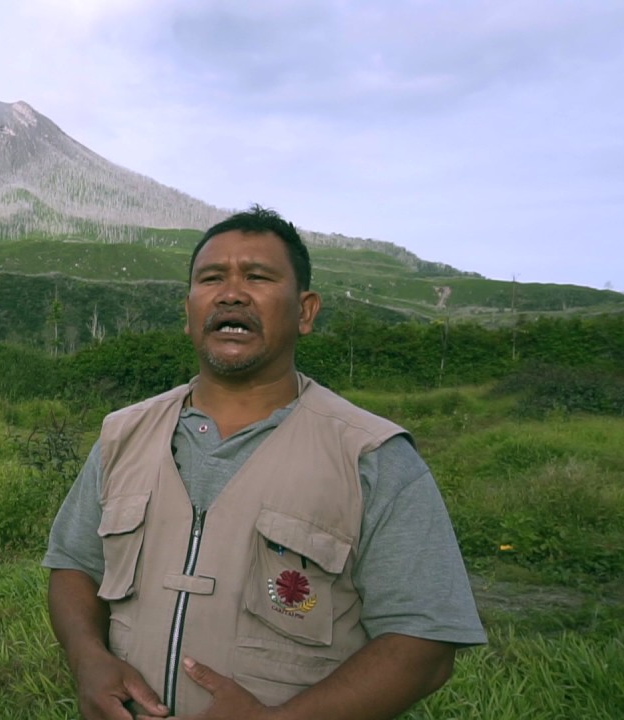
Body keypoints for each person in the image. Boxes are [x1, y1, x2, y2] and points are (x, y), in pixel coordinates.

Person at [42, 205, 486, 719]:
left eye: (257, 276)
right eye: (212, 278)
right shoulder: (124, 434)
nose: (231, 293)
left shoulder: (371, 455)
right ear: (188, 311)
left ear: (305, 311)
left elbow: (424, 644)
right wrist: (87, 658)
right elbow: (74, 565)